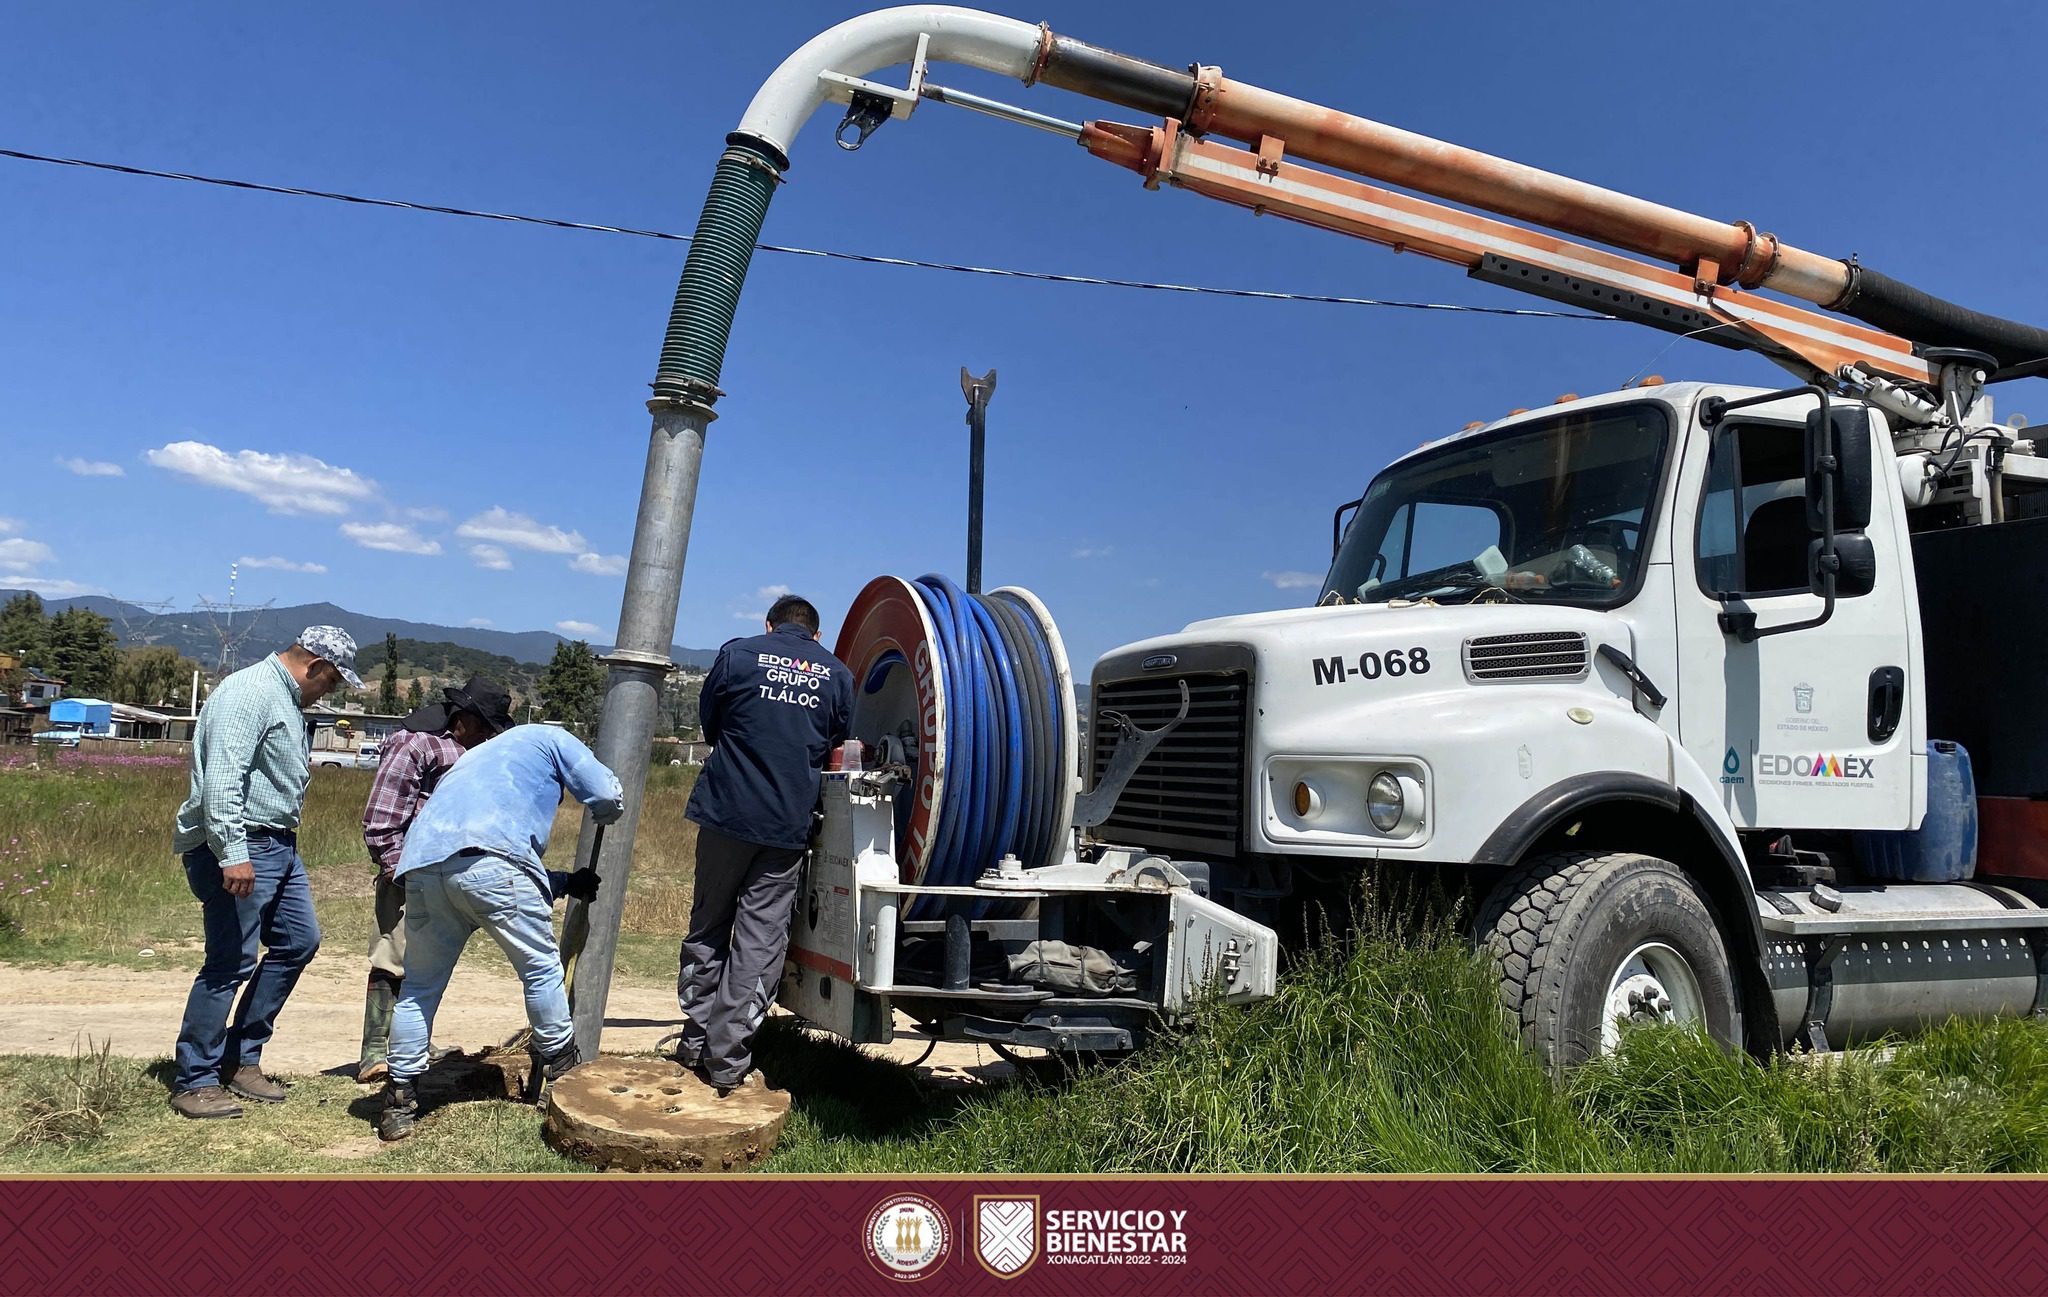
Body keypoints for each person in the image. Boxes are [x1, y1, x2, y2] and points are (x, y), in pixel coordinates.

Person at [375, 723, 623, 1141]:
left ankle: (399, 1099)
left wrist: (562, 882)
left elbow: (472, 857)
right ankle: (563, 1081)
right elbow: (605, 793)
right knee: (541, 972)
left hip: (421, 868)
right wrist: (606, 811)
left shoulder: (476, 759)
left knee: (419, 987)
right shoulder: (552, 737)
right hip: (492, 866)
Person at [168, 626, 363, 1120]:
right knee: (229, 962)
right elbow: (222, 780)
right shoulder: (251, 692)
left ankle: (241, 1057)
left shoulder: (284, 698)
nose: (332, 692)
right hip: (242, 841)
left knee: (299, 941)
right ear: (315, 666)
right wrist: (233, 852)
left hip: (278, 843)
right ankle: (195, 1080)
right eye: (334, 682)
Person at [674, 593, 852, 1093]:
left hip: (725, 813)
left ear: (769, 625)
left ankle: (693, 1041)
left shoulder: (737, 654)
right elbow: (835, 740)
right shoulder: (836, 674)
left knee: (708, 924)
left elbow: (712, 724)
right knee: (759, 940)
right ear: (818, 635)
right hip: (785, 826)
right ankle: (727, 1061)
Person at [355, 675, 515, 1083]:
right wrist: (396, 868)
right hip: (408, 871)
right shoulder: (416, 744)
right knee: (392, 959)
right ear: (466, 718)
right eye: (485, 727)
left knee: (425, 964)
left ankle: (413, 1043)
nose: (486, 736)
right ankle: (374, 1052)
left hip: (447, 872)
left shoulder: (468, 749)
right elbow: (382, 815)